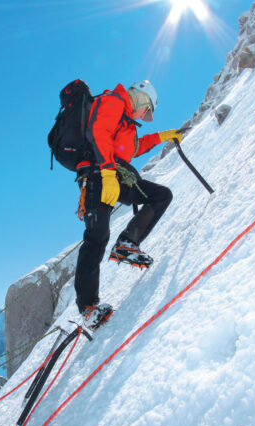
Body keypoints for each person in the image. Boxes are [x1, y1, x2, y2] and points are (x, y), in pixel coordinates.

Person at [74, 80, 181, 327]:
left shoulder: (126, 122)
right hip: (98, 176)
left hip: (114, 176)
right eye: (148, 110)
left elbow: (130, 149)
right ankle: (88, 308)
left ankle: (127, 243)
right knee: (96, 238)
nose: (145, 115)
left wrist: (162, 137)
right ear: (143, 99)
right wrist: (109, 173)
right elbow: (97, 131)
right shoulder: (113, 101)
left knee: (160, 195)